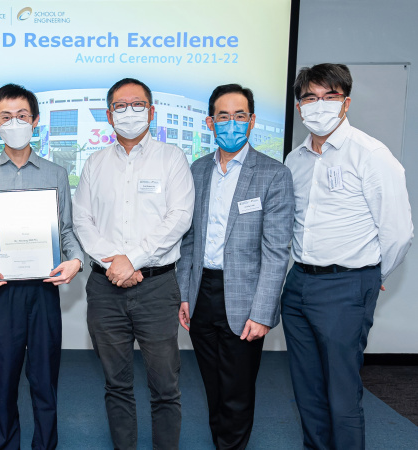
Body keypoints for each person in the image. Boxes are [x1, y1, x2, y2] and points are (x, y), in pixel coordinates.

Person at [282, 63, 413, 450]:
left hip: (346, 286)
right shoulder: (294, 160)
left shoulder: (371, 155)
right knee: (307, 392)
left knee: (342, 396)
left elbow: (398, 232)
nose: (318, 105)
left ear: (346, 102)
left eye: (330, 97)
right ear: (299, 106)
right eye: (310, 97)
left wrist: (370, 276)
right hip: (299, 284)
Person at [0, 83, 84, 450]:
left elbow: (68, 230)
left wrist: (76, 259)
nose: (15, 122)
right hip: (1, 288)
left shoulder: (56, 174)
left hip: (44, 290)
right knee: (3, 381)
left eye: (22, 116)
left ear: (36, 121)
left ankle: (45, 446)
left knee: (45, 381)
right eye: (6, 117)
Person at [72, 78, 194, 450]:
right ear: (109, 115)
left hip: (157, 287)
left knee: (164, 385)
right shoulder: (94, 162)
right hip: (105, 288)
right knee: (117, 383)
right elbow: (82, 221)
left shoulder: (171, 157)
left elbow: (180, 217)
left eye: (137, 104)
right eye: (121, 106)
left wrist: (133, 259)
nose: (130, 112)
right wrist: (115, 264)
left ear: (152, 111)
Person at [176, 84, 295, 449]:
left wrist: (262, 312)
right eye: (223, 117)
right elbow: (189, 241)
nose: (232, 124)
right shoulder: (196, 170)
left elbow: (277, 251)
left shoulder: (273, 174)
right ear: (210, 122)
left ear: (252, 120)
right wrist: (184, 294)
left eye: (239, 116)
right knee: (213, 387)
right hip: (201, 294)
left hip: (245, 298)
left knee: (237, 392)